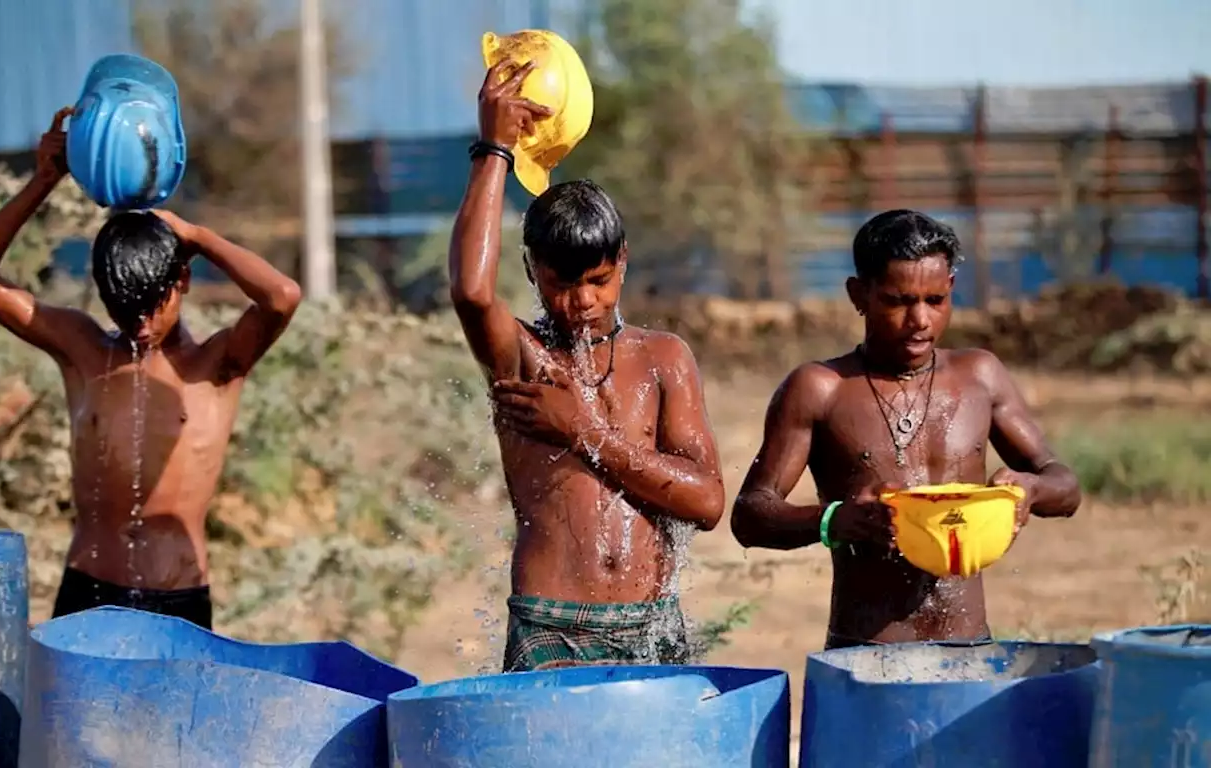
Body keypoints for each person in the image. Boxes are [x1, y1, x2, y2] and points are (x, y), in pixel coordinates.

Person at [0, 107, 302, 629]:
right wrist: (43, 180)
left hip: (179, 600)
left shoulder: (219, 364)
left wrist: (198, 236)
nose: (137, 325)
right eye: (120, 309)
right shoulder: (82, 350)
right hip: (88, 591)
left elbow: (282, 296)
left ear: (182, 280)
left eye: (149, 307)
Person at [451, 61, 726, 672]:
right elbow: (471, 292)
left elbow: (707, 503)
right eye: (560, 284)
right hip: (552, 623)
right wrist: (493, 149)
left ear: (623, 261)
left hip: (650, 621)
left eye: (599, 281)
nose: (582, 302)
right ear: (531, 273)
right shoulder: (523, 357)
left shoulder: (662, 359)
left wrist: (586, 431)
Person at [730, 209, 1081, 650]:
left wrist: (1030, 489)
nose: (920, 320)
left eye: (935, 301)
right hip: (866, 651)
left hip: (970, 649)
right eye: (898, 301)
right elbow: (750, 515)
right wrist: (836, 519)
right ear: (859, 295)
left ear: (951, 289)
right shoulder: (820, 389)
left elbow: (1065, 486)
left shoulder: (980, 376)